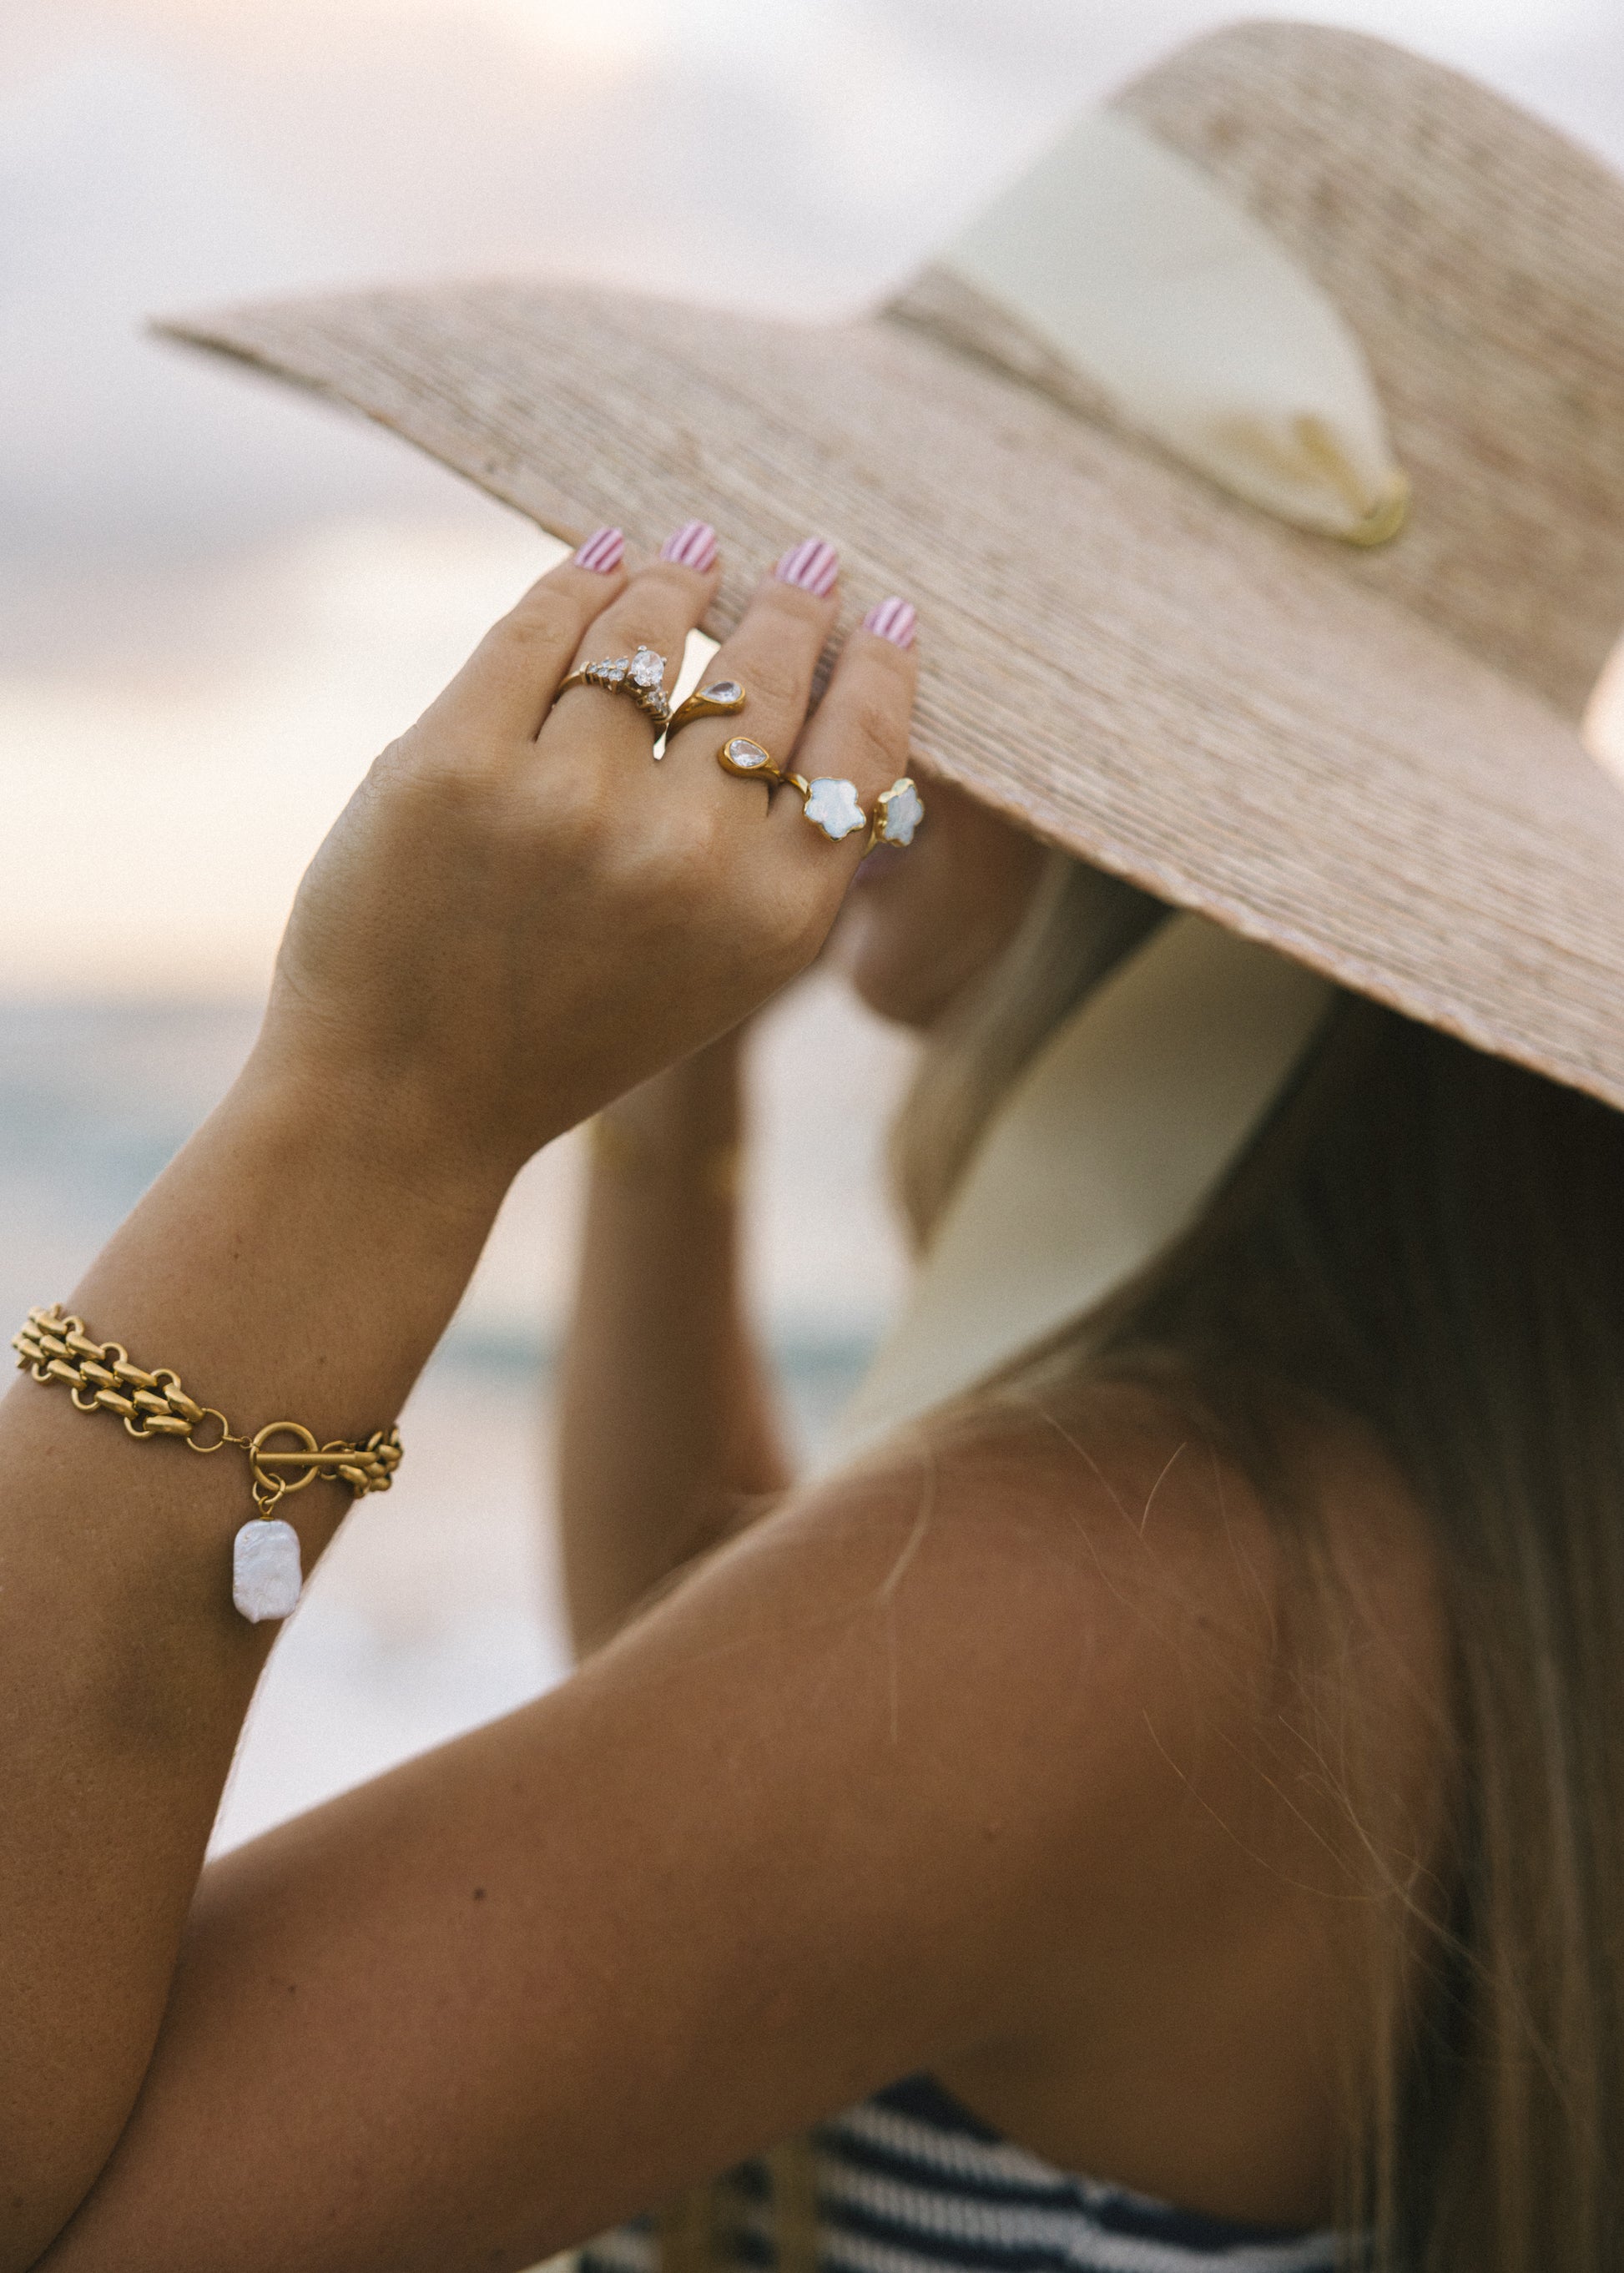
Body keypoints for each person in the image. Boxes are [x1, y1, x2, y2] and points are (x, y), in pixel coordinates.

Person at [8, 18, 1624, 2273]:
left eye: (945, 624)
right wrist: (664, 1096)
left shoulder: (1117, 1581)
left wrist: (377, 1101)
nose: (844, 668)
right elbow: (726, 1715)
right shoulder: (1361, 1503)